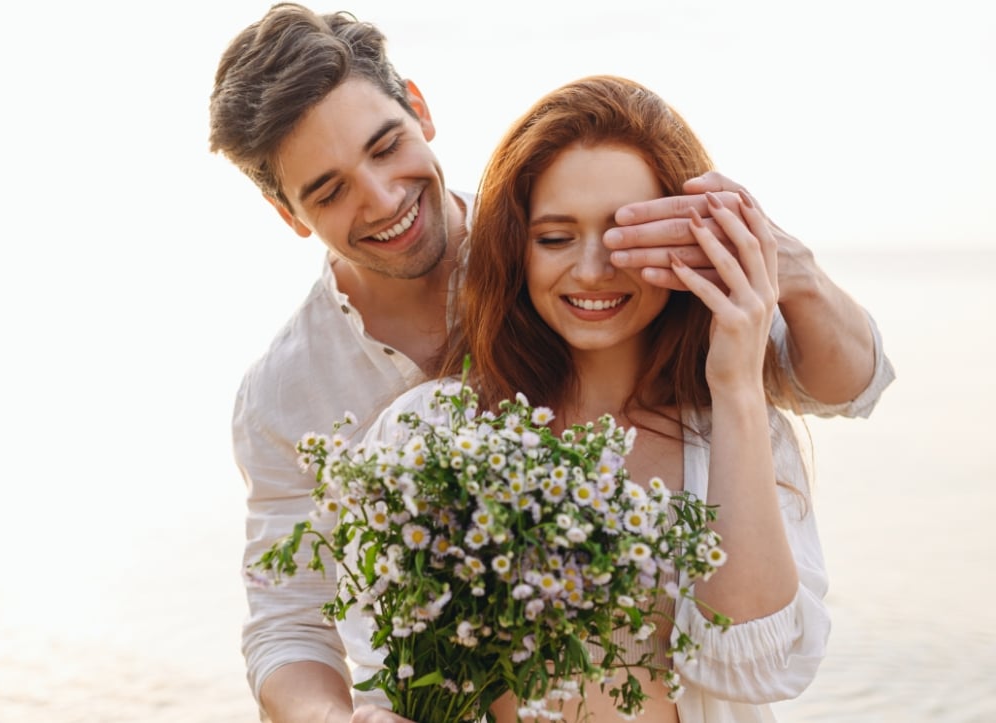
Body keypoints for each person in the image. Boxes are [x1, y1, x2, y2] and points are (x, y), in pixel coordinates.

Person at [207, 5, 894, 722]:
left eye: (385, 148)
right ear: (289, 213)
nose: (383, 199)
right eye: (328, 189)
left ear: (418, 108)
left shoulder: (559, 230)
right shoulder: (299, 396)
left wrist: (789, 277)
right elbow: (293, 619)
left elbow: (842, 381)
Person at [350, 73, 830, 723]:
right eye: (555, 236)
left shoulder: (731, 436)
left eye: (627, 234)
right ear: (515, 248)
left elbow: (757, 666)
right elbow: (387, 666)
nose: (594, 269)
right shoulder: (430, 429)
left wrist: (737, 383)